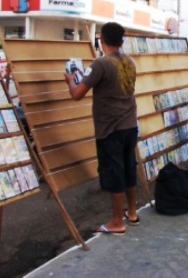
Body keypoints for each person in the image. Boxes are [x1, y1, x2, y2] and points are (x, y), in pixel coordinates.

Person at [64, 22, 139, 235]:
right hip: (129, 124)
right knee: (128, 169)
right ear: (122, 41)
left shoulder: (100, 64)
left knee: (114, 172)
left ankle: (117, 221)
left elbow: (77, 94)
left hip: (110, 128)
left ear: (101, 40)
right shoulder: (129, 62)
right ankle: (131, 213)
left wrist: (70, 80)